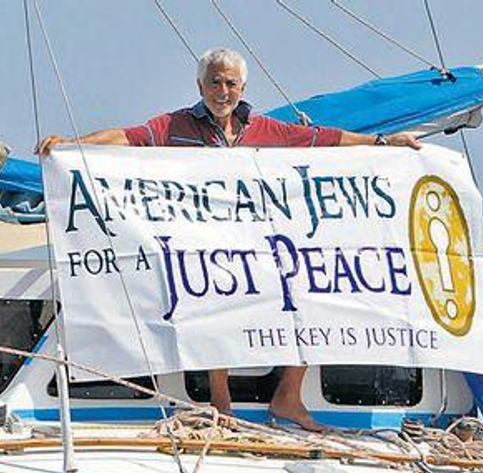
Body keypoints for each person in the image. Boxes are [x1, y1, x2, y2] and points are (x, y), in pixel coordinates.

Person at [37, 47, 420, 432]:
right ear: (200, 85)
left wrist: (383, 145)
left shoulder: (266, 130)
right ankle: (221, 400)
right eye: (215, 82)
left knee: (308, 292)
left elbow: (322, 139)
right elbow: (128, 137)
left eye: (231, 83)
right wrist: (73, 145)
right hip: (206, 247)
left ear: (242, 87)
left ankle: (288, 396)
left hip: (261, 246)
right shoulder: (176, 127)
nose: (223, 90)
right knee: (211, 298)